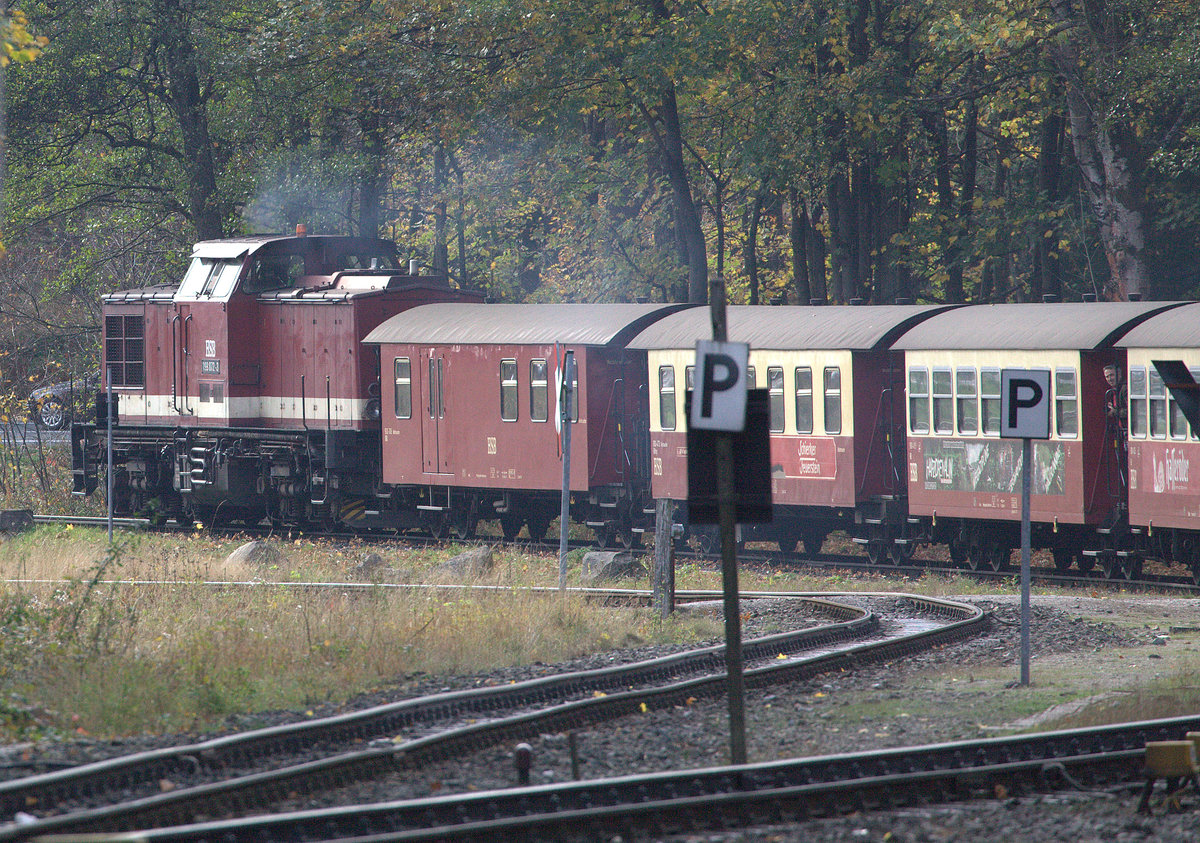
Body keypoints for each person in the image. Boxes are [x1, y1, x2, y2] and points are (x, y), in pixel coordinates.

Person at [1104, 364, 1128, 432]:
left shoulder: (1125, 389)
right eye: (1107, 377)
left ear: (1119, 375)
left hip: (1128, 429)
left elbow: (1131, 411)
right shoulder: (1113, 391)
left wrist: (1114, 411)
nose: (1109, 379)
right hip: (1121, 430)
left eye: (1112, 375)